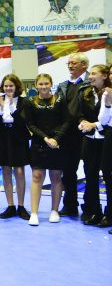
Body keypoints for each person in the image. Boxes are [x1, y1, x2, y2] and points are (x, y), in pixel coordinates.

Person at [26, 74, 70, 226]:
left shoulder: (60, 100)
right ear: (36, 86)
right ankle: (34, 213)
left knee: (56, 177)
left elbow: (67, 121)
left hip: (57, 143)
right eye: (41, 84)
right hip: (39, 143)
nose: (44, 87)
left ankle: (54, 211)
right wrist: (45, 138)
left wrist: (56, 139)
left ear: (51, 84)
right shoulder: (30, 102)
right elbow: (30, 124)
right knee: (37, 176)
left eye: (46, 84)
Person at [0, 74, 31, 220]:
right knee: (5, 170)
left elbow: (24, 121)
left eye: (11, 86)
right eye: (6, 86)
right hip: (2, 138)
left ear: (17, 87)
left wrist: (11, 107)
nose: (8, 88)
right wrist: (1, 108)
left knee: (19, 171)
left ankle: (21, 206)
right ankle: (10, 206)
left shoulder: (24, 101)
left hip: (18, 138)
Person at [56, 52, 89, 217]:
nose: (70, 66)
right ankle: (70, 205)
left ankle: (91, 208)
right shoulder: (63, 85)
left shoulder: (91, 83)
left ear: (84, 65)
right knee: (68, 171)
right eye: (69, 63)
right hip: (67, 136)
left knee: (91, 171)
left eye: (74, 63)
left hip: (88, 134)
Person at [77, 65, 110, 226]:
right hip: (89, 139)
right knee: (90, 176)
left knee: (108, 177)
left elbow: (107, 118)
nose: (90, 77)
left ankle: (108, 214)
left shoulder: (109, 93)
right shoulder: (85, 93)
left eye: (94, 74)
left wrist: (94, 125)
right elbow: (80, 114)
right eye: (90, 74)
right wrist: (83, 124)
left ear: (104, 76)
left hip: (106, 139)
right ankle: (93, 211)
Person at [97, 71, 112, 231]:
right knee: (107, 174)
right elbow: (102, 120)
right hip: (110, 134)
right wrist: (108, 104)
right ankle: (109, 213)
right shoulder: (107, 92)